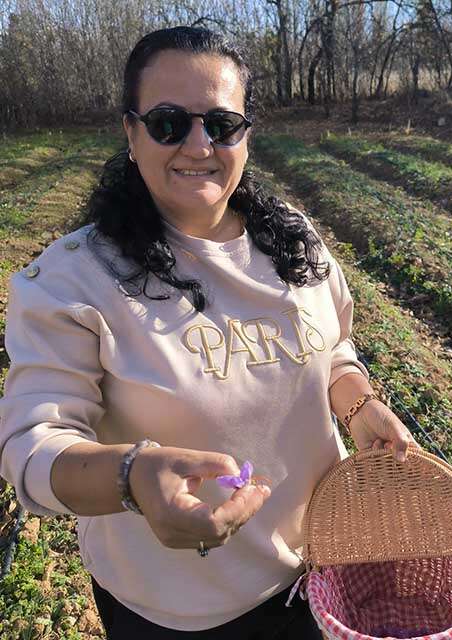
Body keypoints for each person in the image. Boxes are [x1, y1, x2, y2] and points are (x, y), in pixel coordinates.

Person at [0, 26, 419, 638]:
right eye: (170, 122)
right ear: (131, 132)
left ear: (245, 134)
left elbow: (332, 347)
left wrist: (357, 404)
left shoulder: (293, 241)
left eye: (222, 124)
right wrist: (132, 479)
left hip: (325, 568)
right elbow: (31, 445)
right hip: (180, 612)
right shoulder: (74, 280)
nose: (199, 144)